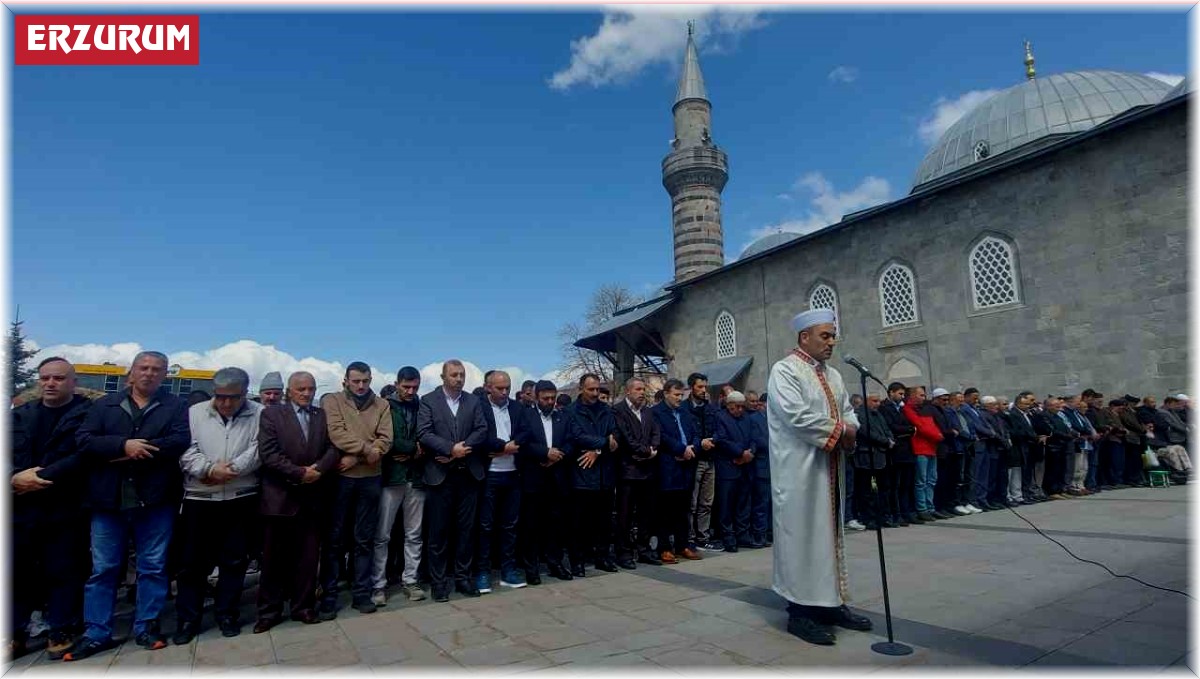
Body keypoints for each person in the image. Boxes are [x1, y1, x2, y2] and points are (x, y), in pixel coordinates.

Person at [67, 351, 190, 660]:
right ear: (131, 372)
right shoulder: (104, 405)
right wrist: (122, 445)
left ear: (165, 376)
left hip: (155, 499)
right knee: (104, 569)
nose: (149, 374)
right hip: (109, 500)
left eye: (156, 370)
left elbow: (180, 440)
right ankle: (97, 632)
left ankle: (146, 626)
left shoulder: (176, 407)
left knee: (153, 567)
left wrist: (139, 449)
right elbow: (84, 441)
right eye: (143, 368)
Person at [767, 308, 870, 646]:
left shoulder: (835, 375)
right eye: (825, 335)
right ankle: (800, 612)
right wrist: (843, 431)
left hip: (830, 468)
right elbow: (798, 416)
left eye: (833, 335)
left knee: (828, 537)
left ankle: (831, 603)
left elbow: (848, 411)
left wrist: (850, 427)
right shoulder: (785, 371)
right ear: (804, 337)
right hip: (800, 471)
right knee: (802, 538)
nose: (831, 342)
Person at [9, 357, 93, 660]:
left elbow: (86, 455)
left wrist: (41, 477)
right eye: (45, 378)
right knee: (17, 571)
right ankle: (13, 632)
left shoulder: (87, 414)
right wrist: (13, 478)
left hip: (65, 508)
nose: (50, 383)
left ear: (73, 381)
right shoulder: (19, 416)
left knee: (63, 570)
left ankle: (60, 628)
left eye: (58, 378)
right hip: (21, 506)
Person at [173, 367, 264, 643]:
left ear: (244, 394)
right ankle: (189, 619)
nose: (225, 403)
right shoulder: (195, 412)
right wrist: (210, 470)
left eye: (233, 397)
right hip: (200, 498)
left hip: (240, 497)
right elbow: (185, 448)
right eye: (220, 396)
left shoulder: (259, 413)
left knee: (234, 560)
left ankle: (227, 614)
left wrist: (233, 469)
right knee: (192, 563)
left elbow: (260, 448)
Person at [254, 371, 339, 633]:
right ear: (289, 391)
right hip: (281, 496)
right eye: (301, 389)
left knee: (308, 557)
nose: (306, 393)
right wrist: (299, 473)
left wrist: (319, 470)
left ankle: (303, 606)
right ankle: (269, 611)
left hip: (312, 497)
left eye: (310, 388)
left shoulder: (320, 416)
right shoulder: (271, 415)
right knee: (274, 559)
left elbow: (332, 448)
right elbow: (269, 454)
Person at [319, 362, 393, 616]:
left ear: (371, 379)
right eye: (356, 381)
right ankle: (329, 595)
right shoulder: (333, 402)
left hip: (370, 478)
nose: (361, 386)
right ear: (346, 381)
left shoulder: (382, 405)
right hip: (341, 478)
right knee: (335, 539)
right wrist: (367, 450)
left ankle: (362, 593)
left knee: (365, 539)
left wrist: (359, 457)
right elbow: (335, 434)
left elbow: (386, 440)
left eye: (365, 381)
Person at [417, 360, 489, 602]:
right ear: (443, 376)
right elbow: (424, 433)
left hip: (468, 474)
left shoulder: (473, 401)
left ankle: (463, 578)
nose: (459, 378)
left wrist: (462, 449)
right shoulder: (428, 401)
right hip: (440, 476)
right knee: (438, 532)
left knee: (466, 531)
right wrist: (449, 449)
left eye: (462, 374)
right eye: (454, 375)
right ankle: (439, 582)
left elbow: (481, 429)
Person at [371, 367, 427, 607]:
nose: (410, 391)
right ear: (396, 384)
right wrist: (412, 448)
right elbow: (387, 440)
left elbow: (428, 436)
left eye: (414, 387)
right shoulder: (384, 406)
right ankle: (378, 584)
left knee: (414, 533)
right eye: (406, 387)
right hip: (390, 477)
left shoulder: (422, 406)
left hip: (416, 476)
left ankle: (411, 580)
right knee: (382, 534)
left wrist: (418, 450)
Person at [476, 370, 530, 592]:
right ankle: (482, 572)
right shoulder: (479, 406)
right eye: (499, 388)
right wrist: (501, 447)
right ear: (488, 387)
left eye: (507, 387)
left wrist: (513, 445)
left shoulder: (517, 407)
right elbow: (479, 435)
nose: (504, 392)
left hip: (513, 473)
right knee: (485, 526)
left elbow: (527, 431)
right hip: (489, 474)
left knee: (510, 525)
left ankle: (508, 570)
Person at [518, 380, 575, 582]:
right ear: (535, 397)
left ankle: (555, 563)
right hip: (534, 476)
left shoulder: (563, 417)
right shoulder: (525, 416)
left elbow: (571, 441)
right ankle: (531, 567)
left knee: (556, 524)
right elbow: (522, 443)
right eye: (545, 398)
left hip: (557, 477)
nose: (549, 402)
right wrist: (544, 453)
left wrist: (558, 454)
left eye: (552, 398)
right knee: (531, 525)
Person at [566, 373, 619, 577]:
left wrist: (597, 451)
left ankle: (602, 557)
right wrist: (604, 443)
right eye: (591, 389)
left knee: (604, 522)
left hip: (605, 475)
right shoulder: (571, 412)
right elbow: (577, 437)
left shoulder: (607, 410)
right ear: (581, 389)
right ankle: (577, 561)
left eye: (597, 389)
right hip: (582, 475)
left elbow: (616, 434)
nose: (595, 393)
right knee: (578, 523)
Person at [612, 377, 662, 569]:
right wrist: (645, 452)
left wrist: (653, 449)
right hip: (628, 472)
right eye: (638, 389)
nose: (642, 392)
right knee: (624, 514)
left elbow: (657, 433)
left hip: (648, 471)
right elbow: (626, 438)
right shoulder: (618, 411)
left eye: (643, 389)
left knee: (646, 513)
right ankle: (623, 552)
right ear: (628, 391)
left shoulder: (648, 412)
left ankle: (643, 549)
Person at [650, 378, 702, 562]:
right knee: (665, 510)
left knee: (683, 509)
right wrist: (680, 449)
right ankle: (665, 548)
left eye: (682, 394)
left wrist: (692, 448)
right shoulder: (655, 413)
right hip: (667, 467)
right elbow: (660, 436)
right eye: (676, 394)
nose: (680, 398)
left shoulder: (685, 412)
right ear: (666, 394)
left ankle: (683, 545)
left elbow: (696, 433)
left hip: (686, 466)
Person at [713, 391, 756, 552]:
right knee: (726, 505)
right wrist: (740, 453)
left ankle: (742, 535)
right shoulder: (720, 417)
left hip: (745, 466)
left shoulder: (746, 418)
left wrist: (749, 453)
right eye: (735, 407)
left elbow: (753, 438)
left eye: (741, 407)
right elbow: (722, 440)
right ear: (728, 405)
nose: (739, 410)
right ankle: (728, 537)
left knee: (743, 503)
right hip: (728, 467)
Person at [685, 373, 721, 551]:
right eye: (700, 387)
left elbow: (718, 429)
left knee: (707, 502)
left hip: (710, 458)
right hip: (694, 459)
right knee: (692, 502)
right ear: (691, 387)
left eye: (705, 387)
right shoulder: (685, 408)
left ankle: (703, 536)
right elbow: (687, 433)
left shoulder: (710, 408)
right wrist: (700, 444)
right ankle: (690, 537)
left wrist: (713, 440)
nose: (703, 390)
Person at [852, 392, 895, 530]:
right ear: (866, 401)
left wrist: (890, 439)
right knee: (868, 490)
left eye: (879, 401)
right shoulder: (859, 414)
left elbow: (886, 428)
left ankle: (883, 516)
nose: (878, 403)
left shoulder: (878, 414)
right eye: (874, 401)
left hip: (881, 457)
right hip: (867, 458)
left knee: (883, 489)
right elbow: (866, 432)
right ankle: (869, 518)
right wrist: (885, 441)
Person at [903, 386, 944, 523]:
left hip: (931, 447)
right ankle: (922, 509)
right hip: (920, 448)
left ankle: (930, 507)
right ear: (912, 396)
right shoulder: (908, 409)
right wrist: (938, 436)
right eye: (920, 395)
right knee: (921, 481)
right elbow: (921, 426)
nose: (923, 397)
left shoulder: (926, 409)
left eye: (924, 395)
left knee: (931, 480)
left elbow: (932, 424)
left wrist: (938, 434)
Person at [879, 382, 914, 526]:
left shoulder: (901, 408)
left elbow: (909, 424)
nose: (902, 397)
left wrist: (908, 428)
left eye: (903, 394)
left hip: (906, 450)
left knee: (906, 484)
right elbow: (893, 427)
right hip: (895, 452)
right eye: (900, 394)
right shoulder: (885, 408)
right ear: (891, 392)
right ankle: (895, 514)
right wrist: (909, 429)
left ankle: (906, 512)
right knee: (894, 485)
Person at [745, 390, 773, 545]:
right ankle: (759, 534)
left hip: (773, 465)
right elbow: (758, 440)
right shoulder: (754, 419)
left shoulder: (772, 419)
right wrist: (776, 445)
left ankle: (769, 532)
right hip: (761, 466)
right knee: (761, 503)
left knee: (770, 503)